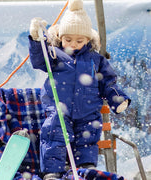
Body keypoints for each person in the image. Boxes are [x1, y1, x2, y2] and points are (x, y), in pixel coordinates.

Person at [28, 0, 131, 179]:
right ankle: (53, 171)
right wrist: (37, 40)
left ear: (88, 40)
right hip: (60, 109)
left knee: (88, 136)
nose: (73, 44)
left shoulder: (95, 59)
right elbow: (38, 61)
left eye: (79, 40)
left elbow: (108, 82)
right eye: (68, 40)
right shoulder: (54, 54)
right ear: (61, 37)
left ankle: (85, 166)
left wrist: (117, 99)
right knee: (55, 134)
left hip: (87, 109)